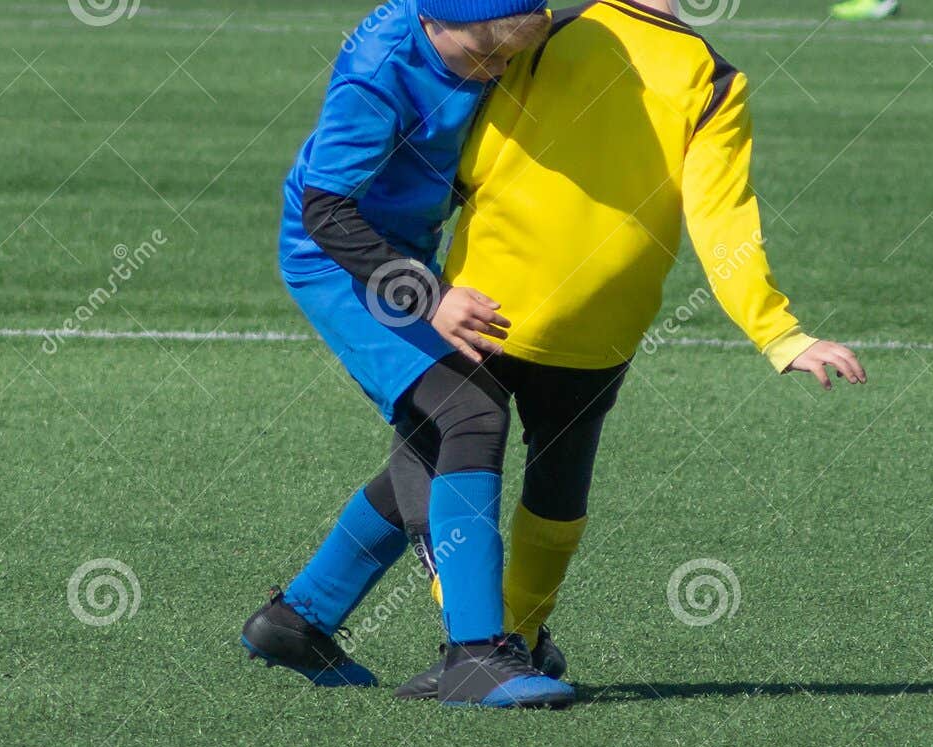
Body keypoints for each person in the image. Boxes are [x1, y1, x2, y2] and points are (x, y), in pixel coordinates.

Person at [393, 0, 869, 699]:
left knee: (418, 459)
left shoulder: (542, 29)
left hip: (485, 305)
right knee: (559, 478)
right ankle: (520, 638)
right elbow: (723, 223)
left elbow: (473, 150)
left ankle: (478, 631)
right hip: (604, 323)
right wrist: (780, 333)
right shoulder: (712, 80)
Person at [240, 0, 577, 708]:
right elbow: (326, 211)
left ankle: (297, 620)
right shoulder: (378, 75)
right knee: (470, 412)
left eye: (509, 60)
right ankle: (477, 653)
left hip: (407, 251)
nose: (497, 73)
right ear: (436, 27)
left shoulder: (485, 27)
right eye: (484, 60)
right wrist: (428, 296)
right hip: (342, 262)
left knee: (433, 435)